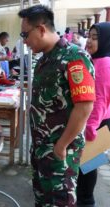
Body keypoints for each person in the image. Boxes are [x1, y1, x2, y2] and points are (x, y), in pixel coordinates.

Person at [18, 5, 95, 206]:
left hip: (60, 151)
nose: (24, 41)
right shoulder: (44, 60)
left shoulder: (74, 57)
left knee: (60, 201)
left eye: (25, 34)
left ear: (42, 29)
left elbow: (85, 106)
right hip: (41, 149)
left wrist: (61, 146)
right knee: (43, 199)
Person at [77, 22, 110, 207]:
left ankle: (86, 202)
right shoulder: (96, 59)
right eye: (89, 36)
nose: (89, 40)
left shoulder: (104, 63)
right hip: (97, 120)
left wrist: (91, 127)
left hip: (99, 122)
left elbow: (100, 98)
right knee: (87, 164)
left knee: (88, 165)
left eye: (95, 37)